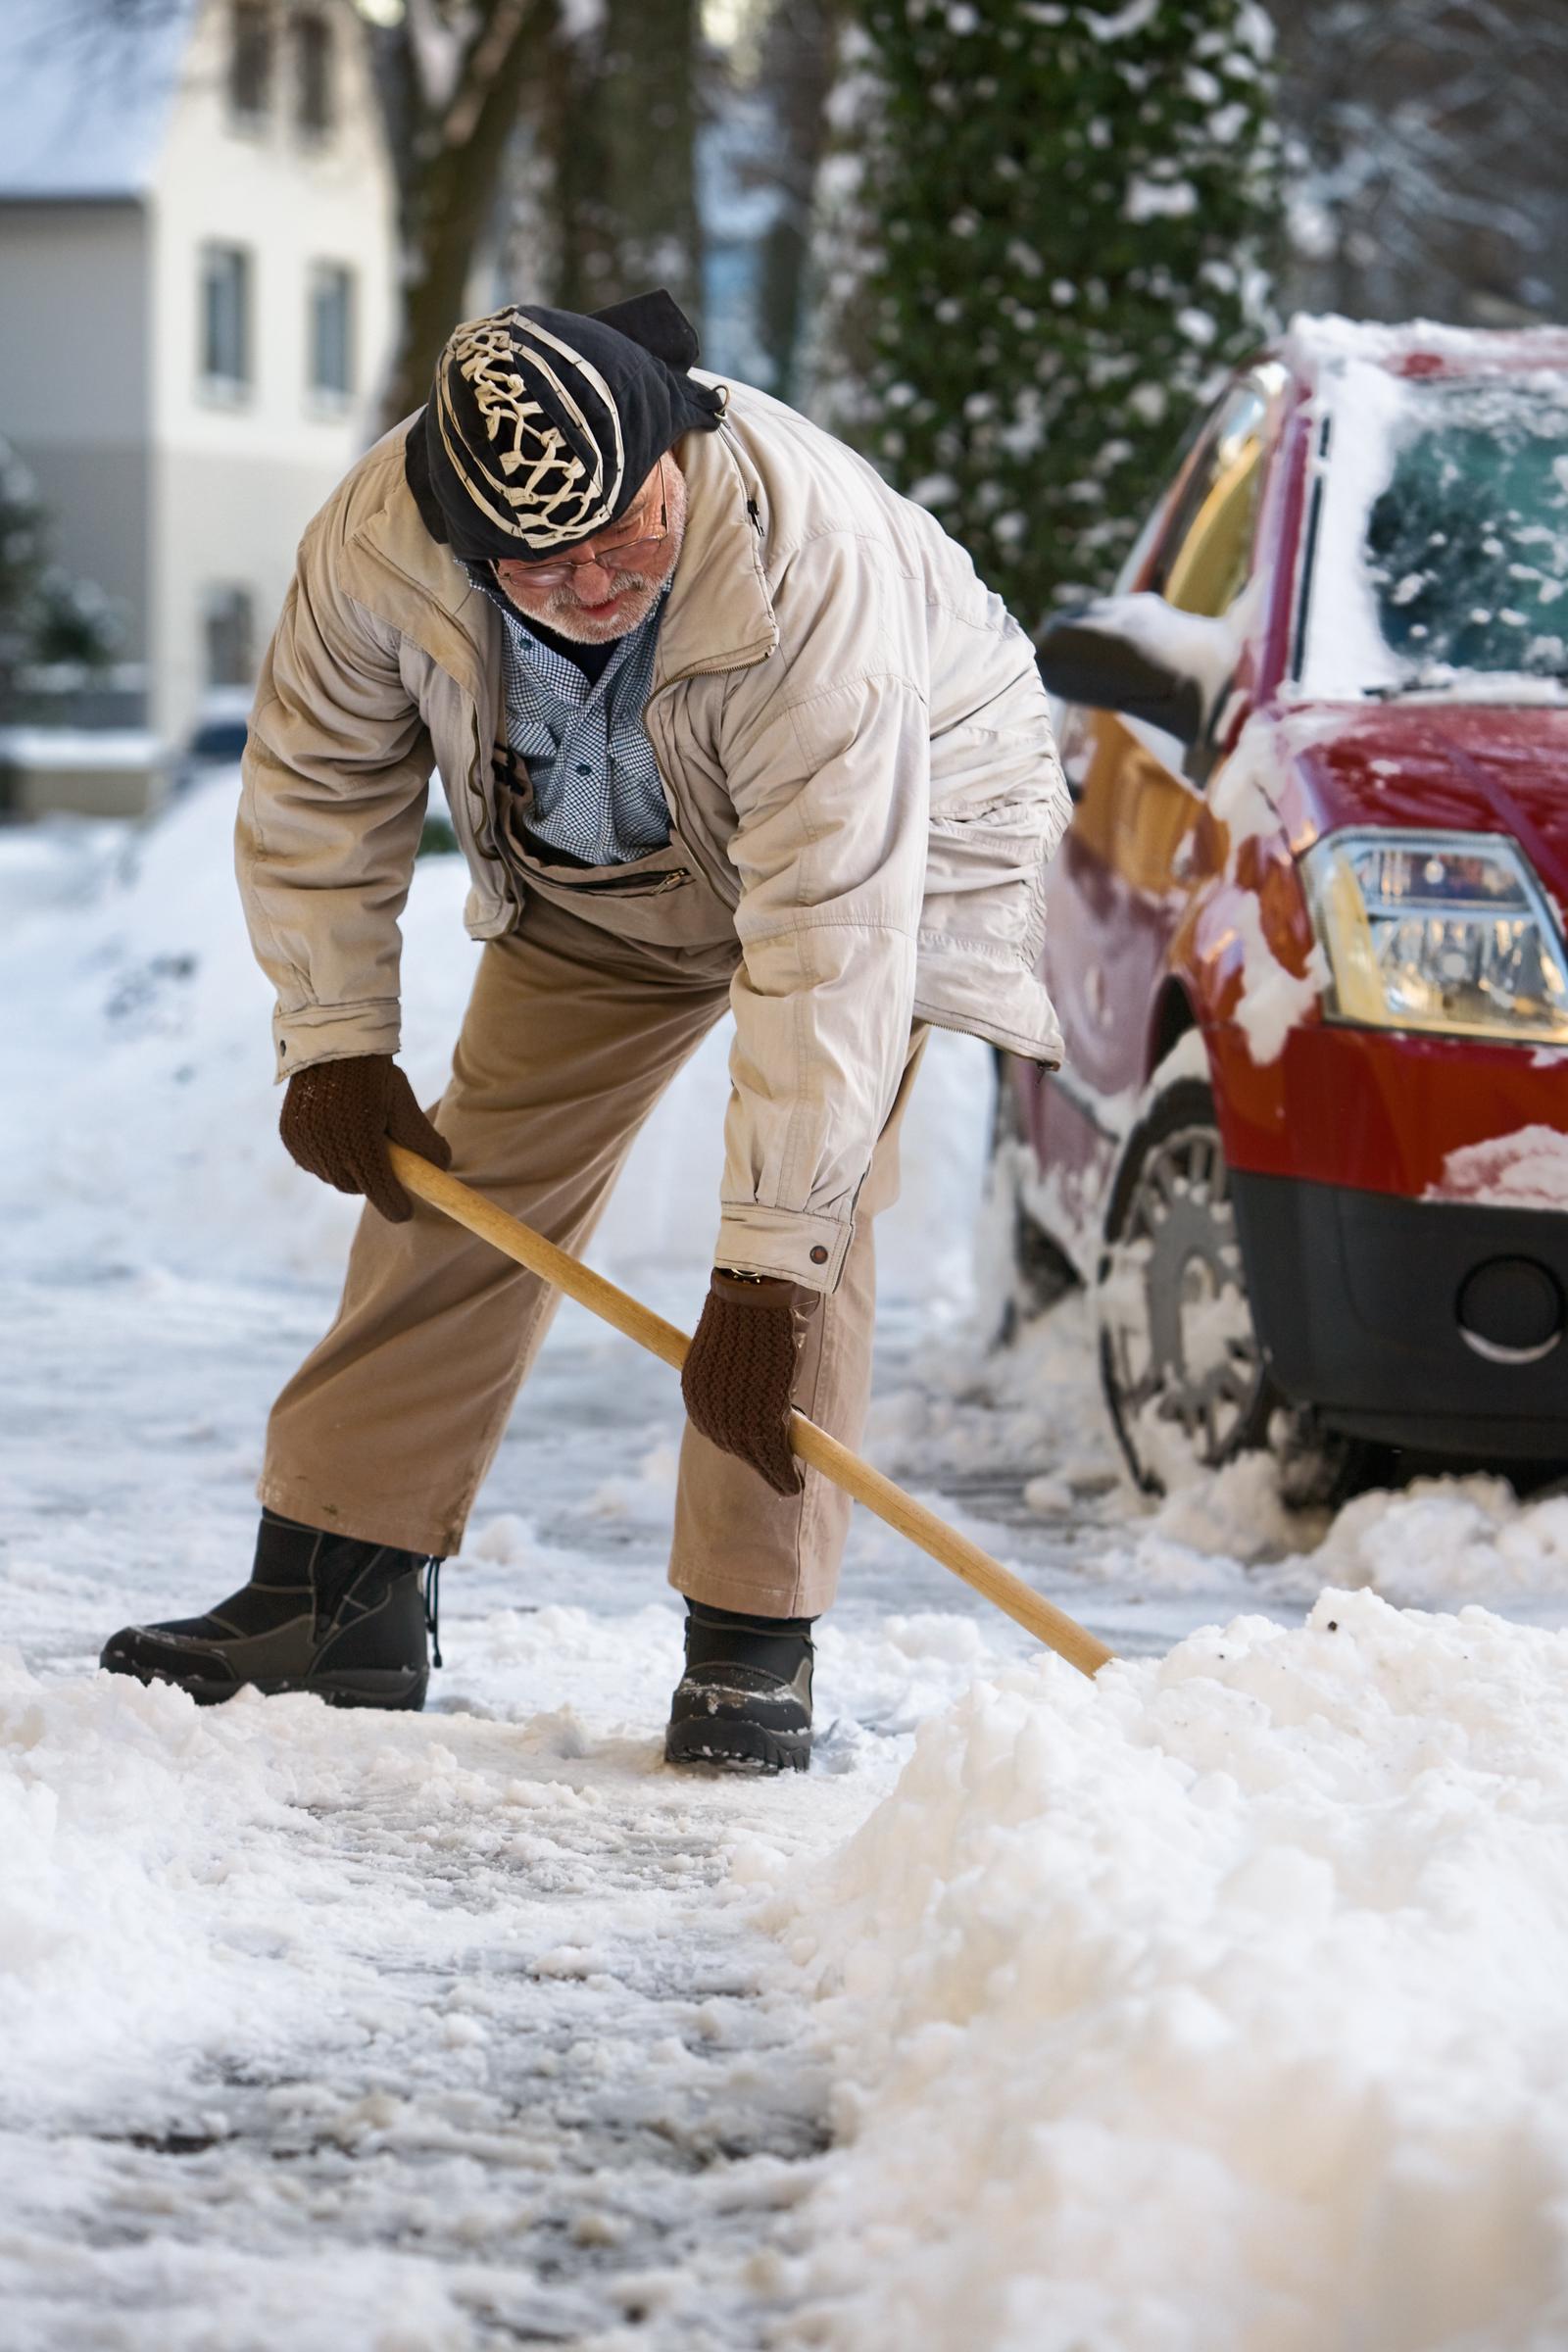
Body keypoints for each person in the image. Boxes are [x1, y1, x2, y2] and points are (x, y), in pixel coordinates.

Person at [100, 291, 1069, 1772]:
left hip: (903, 829)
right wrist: (337, 1035)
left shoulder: (810, 575)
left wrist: (766, 1268)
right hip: (600, 849)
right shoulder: (375, 546)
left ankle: (753, 1642)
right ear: (467, 546)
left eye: (630, 535)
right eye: (547, 568)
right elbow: (317, 789)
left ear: (674, 443)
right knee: (461, 1176)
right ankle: (339, 1589)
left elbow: (829, 945)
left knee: (815, 1230)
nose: (603, 583)